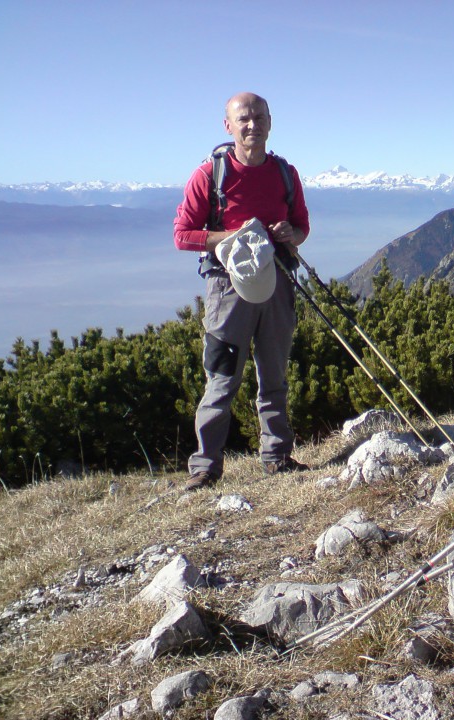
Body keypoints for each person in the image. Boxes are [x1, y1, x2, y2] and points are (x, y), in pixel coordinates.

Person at [173, 92, 310, 491]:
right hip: (227, 288)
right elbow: (183, 235)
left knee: (274, 373)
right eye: (244, 119)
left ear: (270, 122)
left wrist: (292, 234)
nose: (253, 125)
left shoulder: (286, 174)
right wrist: (228, 238)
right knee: (221, 378)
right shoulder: (210, 176)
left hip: (278, 281)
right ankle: (205, 468)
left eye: (259, 118)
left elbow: (302, 226)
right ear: (228, 125)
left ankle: (277, 457)